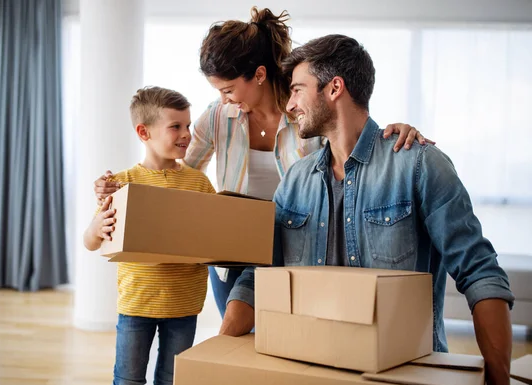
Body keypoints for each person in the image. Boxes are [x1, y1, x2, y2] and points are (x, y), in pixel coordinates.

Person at [222, 34, 515, 385]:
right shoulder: (295, 181)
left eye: (298, 90)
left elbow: (480, 272)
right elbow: (258, 274)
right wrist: (218, 353)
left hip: (403, 382)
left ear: (334, 88)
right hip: (309, 375)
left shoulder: (419, 165)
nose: (290, 104)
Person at [93, 8, 428, 319]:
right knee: (239, 346)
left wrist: (396, 132)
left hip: (298, 248)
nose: (223, 99)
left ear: (259, 74)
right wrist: (123, 189)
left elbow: (350, 140)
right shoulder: (218, 117)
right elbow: (178, 172)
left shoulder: (307, 114)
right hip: (232, 252)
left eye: (228, 89)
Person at [83, 87, 215, 385]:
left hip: (184, 305)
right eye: (175, 127)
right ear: (144, 132)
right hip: (136, 304)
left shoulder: (199, 183)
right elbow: (90, 242)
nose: (186, 134)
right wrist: (96, 226)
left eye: (187, 126)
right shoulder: (122, 182)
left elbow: (213, 236)